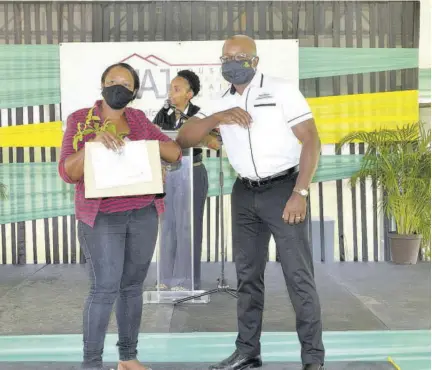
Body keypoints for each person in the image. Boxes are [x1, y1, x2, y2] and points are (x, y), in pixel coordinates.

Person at [176, 35, 325, 370]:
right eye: (227, 57)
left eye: (241, 56)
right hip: (244, 194)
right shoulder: (219, 102)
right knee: (247, 276)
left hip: (284, 190)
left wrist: (299, 192)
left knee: (298, 276)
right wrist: (218, 118)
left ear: (254, 61)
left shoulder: (281, 90)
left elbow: (311, 140)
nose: (233, 61)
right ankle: (248, 352)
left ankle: (313, 359)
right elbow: (185, 138)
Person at [59, 62, 181, 370]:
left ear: (134, 92)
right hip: (102, 217)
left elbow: (175, 153)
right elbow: (67, 172)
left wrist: (144, 152)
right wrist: (93, 145)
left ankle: (127, 357)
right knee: (104, 288)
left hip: (142, 214)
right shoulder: (80, 121)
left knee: (131, 287)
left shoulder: (138, 118)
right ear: (101, 86)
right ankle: (92, 362)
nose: (118, 87)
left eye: (125, 83)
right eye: (111, 80)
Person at [153, 70, 220, 291]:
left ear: (189, 94)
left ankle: (187, 279)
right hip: (168, 174)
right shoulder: (162, 115)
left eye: (177, 89)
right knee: (168, 225)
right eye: (171, 88)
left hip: (193, 172)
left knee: (189, 226)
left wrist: (204, 136)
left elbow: (215, 141)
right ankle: (166, 278)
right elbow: (155, 137)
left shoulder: (200, 116)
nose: (171, 93)